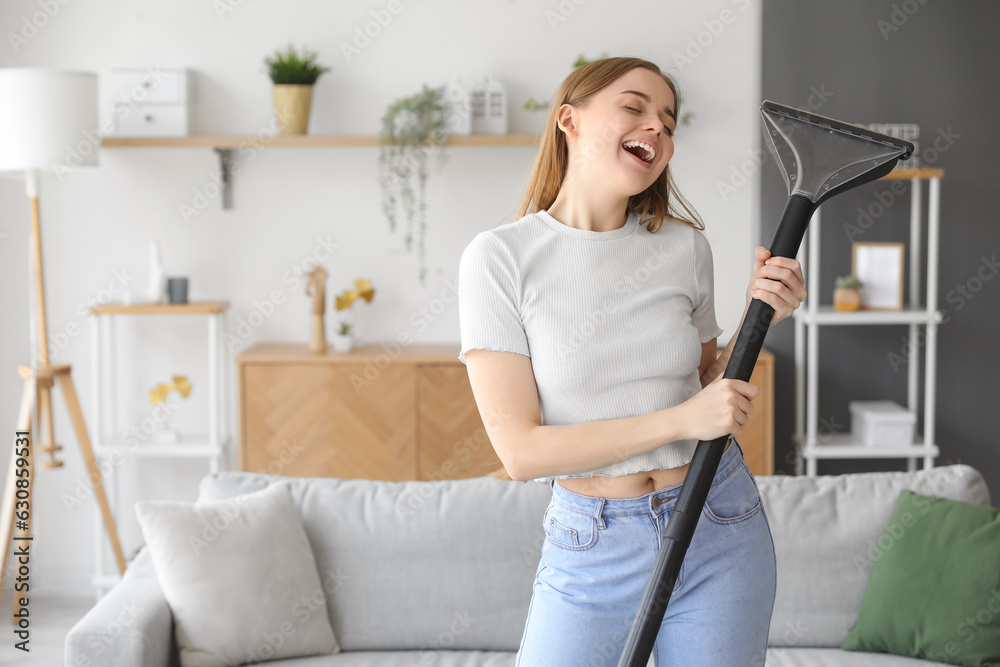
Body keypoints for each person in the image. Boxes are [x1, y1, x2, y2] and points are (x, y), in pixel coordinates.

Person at [457, 56, 806, 667]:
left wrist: (764, 315)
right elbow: (522, 453)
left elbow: (705, 389)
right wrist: (680, 422)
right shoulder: (501, 259)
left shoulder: (684, 248)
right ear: (569, 119)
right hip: (592, 542)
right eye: (635, 107)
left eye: (670, 123)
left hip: (715, 520)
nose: (657, 129)